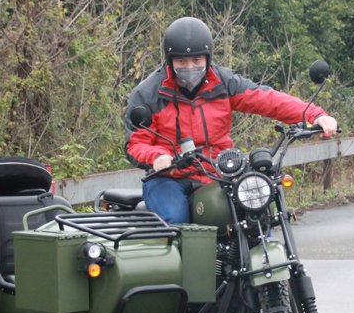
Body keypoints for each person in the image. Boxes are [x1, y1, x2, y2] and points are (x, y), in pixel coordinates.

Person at [125, 16, 338, 224]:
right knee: (177, 220)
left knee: (255, 214)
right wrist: (158, 156)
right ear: (169, 61)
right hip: (169, 177)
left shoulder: (223, 83)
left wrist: (314, 115)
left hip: (217, 173)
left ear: (207, 58)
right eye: (181, 61)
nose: (190, 67)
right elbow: (135, 143)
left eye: (196, 60)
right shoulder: (148, 94)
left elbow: (267, 99)